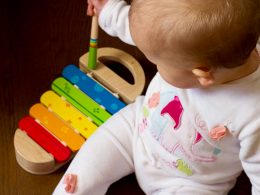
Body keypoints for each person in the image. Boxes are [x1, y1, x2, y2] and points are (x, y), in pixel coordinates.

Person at [53, 0, 260, 194]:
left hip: (192, 183)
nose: (156, 65)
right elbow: (149, 31)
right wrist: (108, 10)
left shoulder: (253, 114)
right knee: (79, 177)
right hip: (138, 128)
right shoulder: (189, 43)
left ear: (202, 74)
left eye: (159, 62)